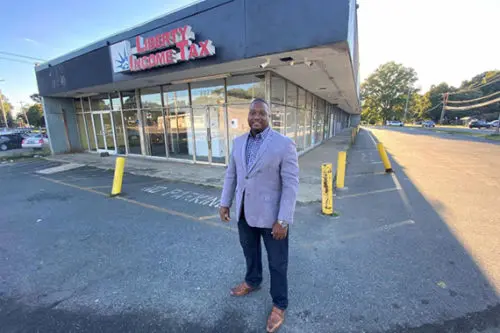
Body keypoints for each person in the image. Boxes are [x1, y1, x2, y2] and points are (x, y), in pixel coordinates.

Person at [219, 98, 299, 332]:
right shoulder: (238, 142)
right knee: (250, 252)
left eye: (261, 113)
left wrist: (283, 219)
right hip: (245, 212)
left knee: (277, 262)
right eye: (252, 113)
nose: (256, 117)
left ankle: (279, 304)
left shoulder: (284, 144)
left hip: (272, 217)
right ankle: (253, 281)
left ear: (269, 116)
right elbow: (231, 175)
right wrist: (225, 203)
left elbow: (291, 184)